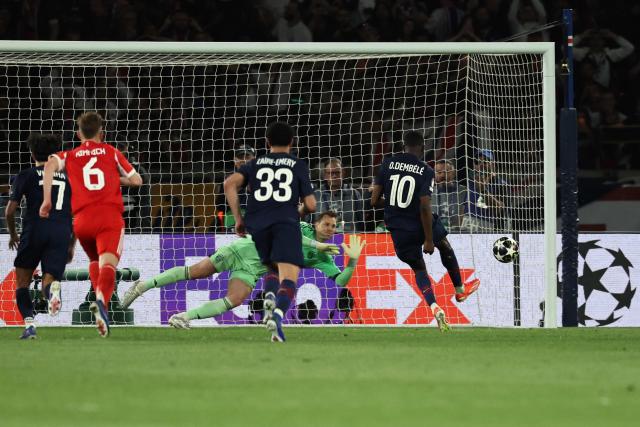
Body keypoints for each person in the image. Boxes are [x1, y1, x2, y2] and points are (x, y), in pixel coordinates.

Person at [119, 211, 364, 327]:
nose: (330, 229)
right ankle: (142, 286)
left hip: (253, 269)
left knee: (235, 299)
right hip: (245, 249)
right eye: (326, 224)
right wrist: (318, 244)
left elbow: (338, 282)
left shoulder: (323, 257)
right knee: (196, 272)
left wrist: (352, 262)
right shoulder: (300, 226)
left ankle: (184, 317)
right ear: (316, 223)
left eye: (333, 226)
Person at [39, 112, 143, 337]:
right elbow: (137, 181)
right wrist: (114, 179)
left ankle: (97, 296)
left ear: (79, 133)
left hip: (82, 221)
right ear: (101, 132)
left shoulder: (71, 155)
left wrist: (47, 200)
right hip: (108, 217)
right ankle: (101, 302)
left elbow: (48, 166)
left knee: (95, 260)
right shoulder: (111, 152)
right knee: (108, 264)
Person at [371, 131, 479, 332]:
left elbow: (374, 201)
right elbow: (424, 207)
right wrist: (429, 240)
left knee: (419, 269)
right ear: (421, 147)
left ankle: (434, 306)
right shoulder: (425, 170)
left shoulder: (386, 165)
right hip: (419, 223)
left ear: (403, 147)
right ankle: (460, 291)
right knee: (445, 245)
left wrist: (394, 203)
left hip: (398, 228)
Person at [224, 121, 316, 342]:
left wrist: (238, 219)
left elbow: (229, 184)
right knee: (291, 278)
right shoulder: (297, 164)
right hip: (285, 222)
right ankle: (277, 315)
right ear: (292, 142)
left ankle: (270, 296)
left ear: (267, 142)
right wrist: (299, 212)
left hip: (258, 224)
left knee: (272, 267)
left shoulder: (254, 164)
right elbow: (311, 205)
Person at [5, 134, 73, 339]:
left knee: (22, 281)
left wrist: (13, 234)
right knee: (49, 280)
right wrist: (71, 243)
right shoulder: (68, 177)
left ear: (32, 153)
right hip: (61, 231)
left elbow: (9, 211)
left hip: (35, 229)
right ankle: (52, 293)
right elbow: (76, 211)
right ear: (55, 154)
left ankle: (30, 325)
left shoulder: (26, 175)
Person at [313, 158, 364, 232]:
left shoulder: (354, 194)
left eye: (337, 173)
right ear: (325, 175)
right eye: (330, 173)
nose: (334, 176)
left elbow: (361, 221)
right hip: (322, 241)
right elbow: (309, 223)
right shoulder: (316, 195)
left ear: (343, 173)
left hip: (350, 240)